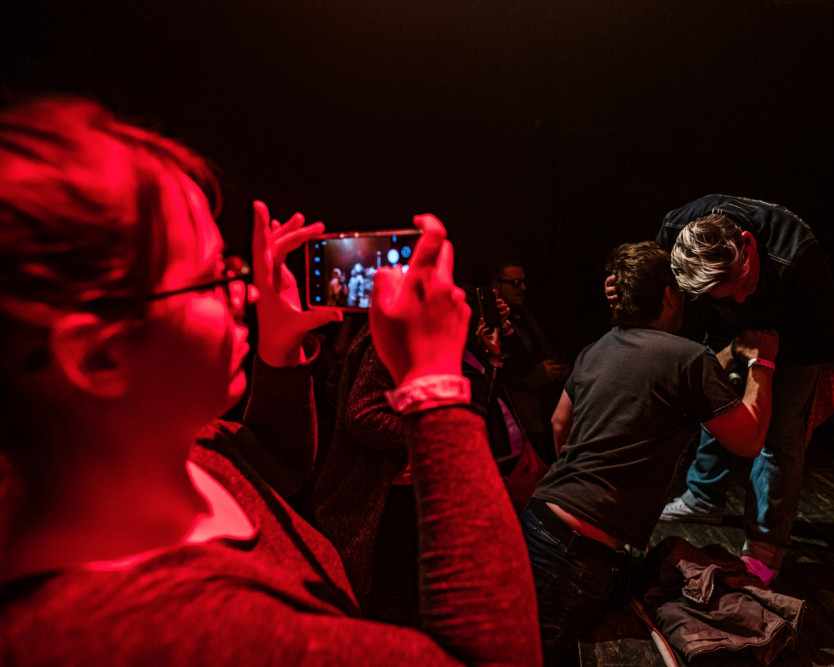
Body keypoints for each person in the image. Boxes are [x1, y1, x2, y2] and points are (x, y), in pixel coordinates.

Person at [0, 96, 541, 666]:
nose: (247, 292)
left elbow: (265, 459)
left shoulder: (143, 455)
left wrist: (278, 351)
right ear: (99, 359)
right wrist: (435, 385)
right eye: (212, 278)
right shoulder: (192, 633)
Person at [525, 241, 778, 666]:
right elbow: (749, 440)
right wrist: (763, 364)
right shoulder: (689, 357)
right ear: (667, 295)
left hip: (538, 524)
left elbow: (558, 423)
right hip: (576, 555)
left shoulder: (596, 349)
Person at [646, 194, 834, 585]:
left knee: (779, 436)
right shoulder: (674, 229)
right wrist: (626, 287)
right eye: (726, 293)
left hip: (795, 344)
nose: (741, 299)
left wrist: (766, 355)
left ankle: (765, 545)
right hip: (729, 336)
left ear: (748, 244)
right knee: (714, 408)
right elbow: (652, 284)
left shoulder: (797, 253)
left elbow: (830, 339)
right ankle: (703, 497)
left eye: (744, 284)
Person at [492, 259, 568, 463]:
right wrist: (541, 373)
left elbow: (539, 349)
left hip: (542, 410)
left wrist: (558, 368)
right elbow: (502, 372)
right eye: (515, 283)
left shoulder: (525, 315)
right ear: (496, 286)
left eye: (524, 282)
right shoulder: (492, 323)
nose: (522, 288)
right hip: (519, 418)